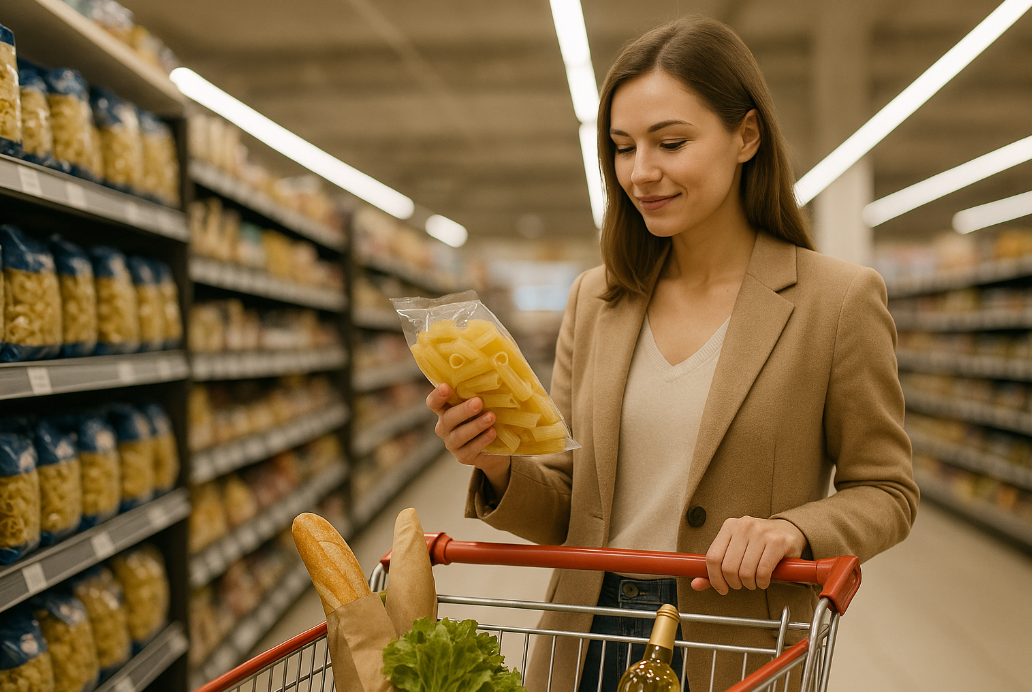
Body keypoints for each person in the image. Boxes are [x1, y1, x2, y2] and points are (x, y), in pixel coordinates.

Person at [425, 16, 919, 692]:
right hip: (586, 633)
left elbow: (887, 491)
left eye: (671, 142)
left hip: (737, 645)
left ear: (747, 135)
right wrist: (496, 464)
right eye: (623, 147)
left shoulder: (836, 301)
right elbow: (569, 509)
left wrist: (795, 530)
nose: (641, 172)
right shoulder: (596, 300)